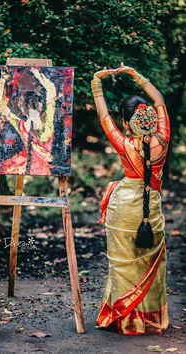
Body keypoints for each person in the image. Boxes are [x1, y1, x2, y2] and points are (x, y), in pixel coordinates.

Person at [91, 64, 171, 335]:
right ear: (150, 118)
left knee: (123, 266)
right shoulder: (164, 139)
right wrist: (135, 74)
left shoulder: (124, 144)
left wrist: (96, 82)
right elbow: (159, 99)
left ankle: (125, 320)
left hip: (123, 209)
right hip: (152, 208)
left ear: (127, 124)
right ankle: (150, 320)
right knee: (150, 264)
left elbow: (103, 118)